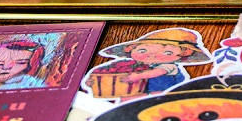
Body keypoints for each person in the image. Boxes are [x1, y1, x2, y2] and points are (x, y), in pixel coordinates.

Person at [84, 28, 212, 98]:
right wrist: (93, 80)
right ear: (131, 49)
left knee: (158, 98)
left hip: (160, 91)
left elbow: (158, 72)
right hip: (134, 90)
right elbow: (106, 70)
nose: (152, 55)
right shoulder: (127, 65)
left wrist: (139, 76)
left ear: (184, 54)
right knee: (128, 96)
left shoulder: (169, 66)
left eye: (167, 53)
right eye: (143, 50)